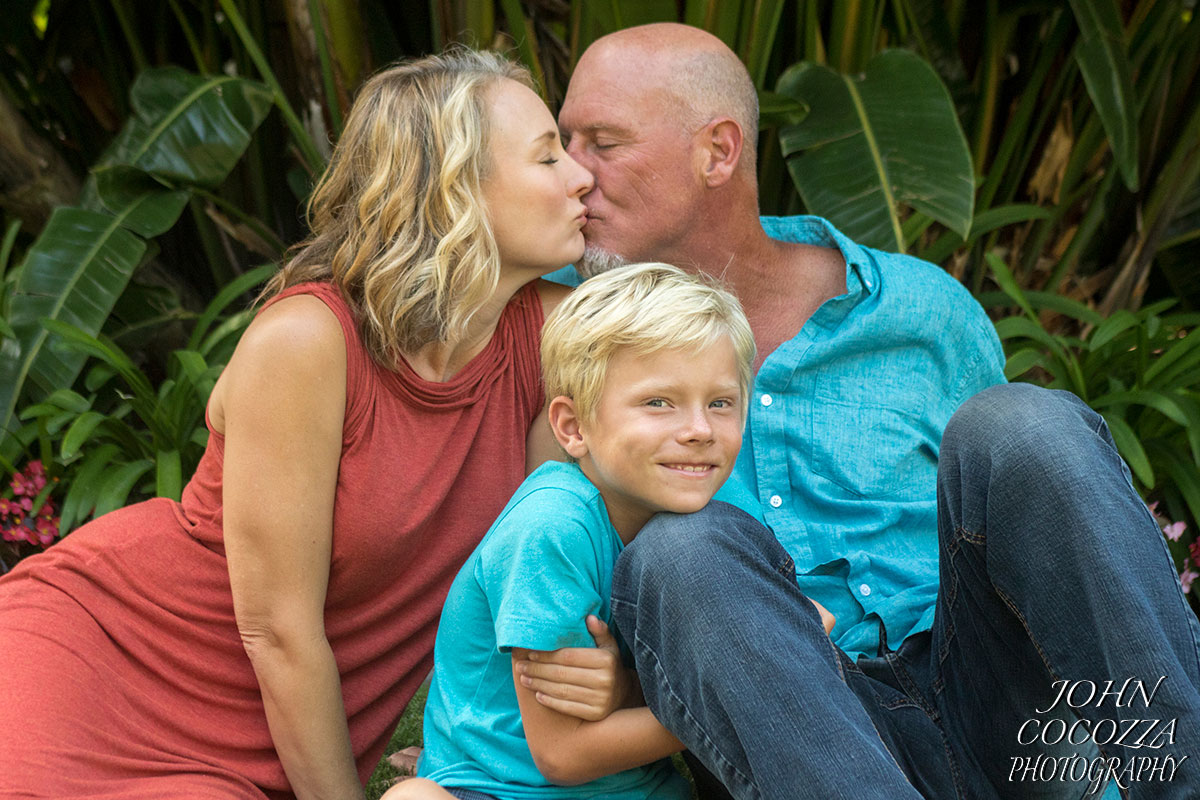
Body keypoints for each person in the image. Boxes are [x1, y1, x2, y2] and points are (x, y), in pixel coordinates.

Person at [520, 22, 1200, 800]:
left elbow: (1036, 515)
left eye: (602, 143)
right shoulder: (565, 344)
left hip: (1004, 710)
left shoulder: (919, 310)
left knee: (1022, 425)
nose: (571, 174)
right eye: (561, 142)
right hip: (800, 736)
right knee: (684, 549)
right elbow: (549, 559)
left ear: (718, 151)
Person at [0, 49, 599, 799]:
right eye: (547, 158)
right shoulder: (310, 342)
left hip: (268, 740)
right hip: (105, 675)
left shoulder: (551, 336)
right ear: (453, 191)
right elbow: (277, 632)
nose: (582, 177)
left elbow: (562, 549)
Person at [383, 262, 781, 800]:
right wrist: (739, 703)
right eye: (657, 402)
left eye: (720, 403)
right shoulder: (551, 529)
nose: (698, 431)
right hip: (503, 790)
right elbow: (563, 756)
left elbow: (805, 621)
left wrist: (636, 690)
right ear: (573, 427)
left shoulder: (715, 492)